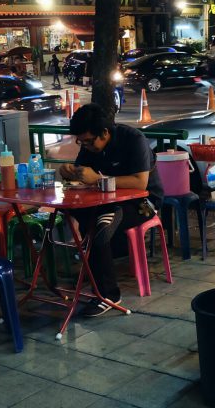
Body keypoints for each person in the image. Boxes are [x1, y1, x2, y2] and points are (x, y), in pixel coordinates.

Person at [57, 103, 164, 316]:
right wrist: (69, 172)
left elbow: (139, 183)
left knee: (102, 225)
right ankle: (98, 264)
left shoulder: (133, 140)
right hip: (107, 201)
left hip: (143, 203)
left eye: (88, 141)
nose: (85, 146)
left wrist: (98, 179)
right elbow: (81, 173)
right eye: (81, 141)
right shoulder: (89, 146)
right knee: (71, 210)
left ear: (104, 132)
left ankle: (108, 294)